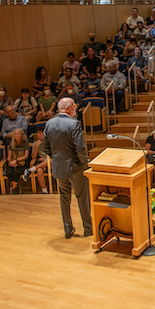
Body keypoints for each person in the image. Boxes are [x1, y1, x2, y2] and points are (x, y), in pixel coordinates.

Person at [40, 98, 92, 239]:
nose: (75, 108)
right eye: (74, 106)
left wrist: (57, 159)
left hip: (59, 167)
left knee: (64, 199)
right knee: (82, 197)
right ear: (68, 108)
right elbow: (80, 148)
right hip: (75, 167)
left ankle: (68, 229)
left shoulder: (49, 123)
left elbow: (45, 147)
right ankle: (88, 228)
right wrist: (85, 164)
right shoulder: (74, 123)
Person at [4, 128, 30, 194]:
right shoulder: (11, 144)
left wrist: (16, 160)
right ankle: (16, 186)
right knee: (9, 173)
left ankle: (13, 188)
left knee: (17, 172)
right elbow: (9, 156)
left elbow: (26, 156)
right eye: (15, 134)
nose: (16, 135)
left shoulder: (25, 144)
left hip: (22, 162)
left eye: (18, 134)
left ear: (22, 135)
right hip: (12, 162)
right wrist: (10, 162)